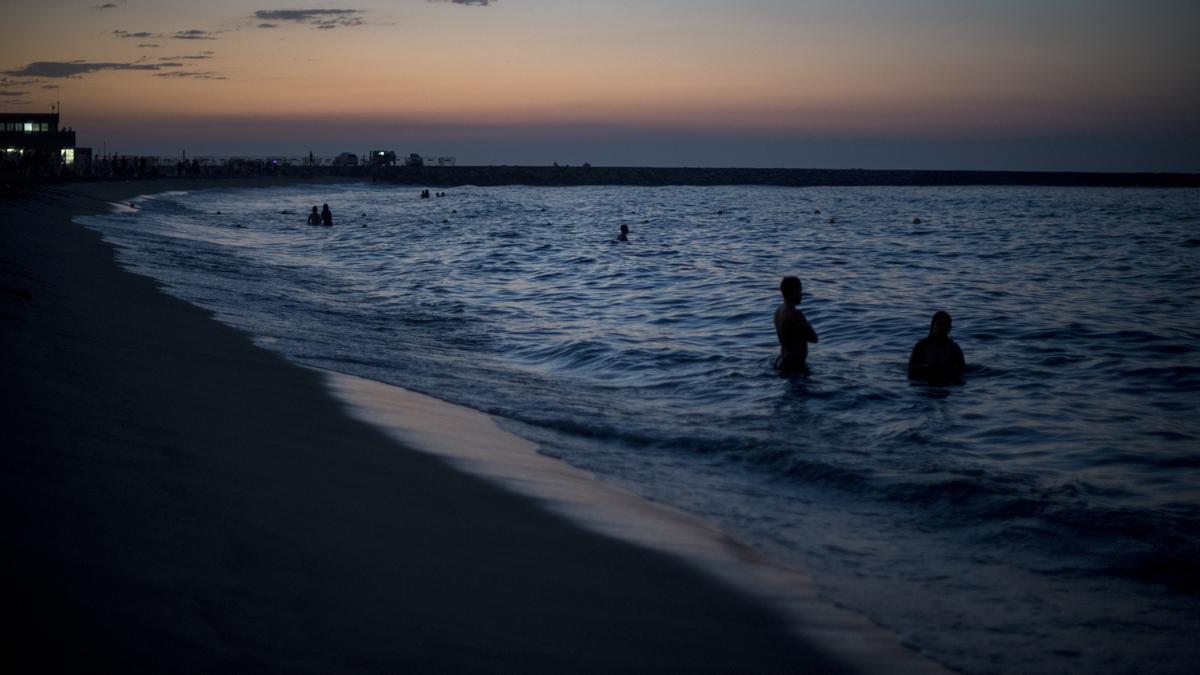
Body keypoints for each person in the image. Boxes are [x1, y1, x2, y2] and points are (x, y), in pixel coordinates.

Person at [773, 276, 818, 373]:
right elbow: (814, 338)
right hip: (794, 365)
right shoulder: (795, 313)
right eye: (800, 291)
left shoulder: (778, 311)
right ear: (794, 292)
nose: (801, 295)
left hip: (781, 360)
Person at [908, 311, 966, 383]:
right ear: (933, 326)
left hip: (947, 381)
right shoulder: (921, 345)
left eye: (945, 325)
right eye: (939, 324)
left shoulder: (954, 348)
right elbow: (910, 368)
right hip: (925, 381)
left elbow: (962, 370)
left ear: (950, 327)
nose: (942, 328)